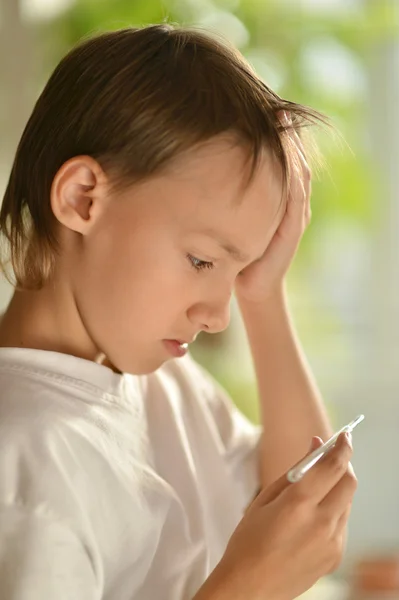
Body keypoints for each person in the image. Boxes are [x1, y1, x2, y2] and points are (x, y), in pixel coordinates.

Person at [0, 23, 356, 600]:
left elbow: (299, 508)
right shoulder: (23, 460)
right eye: (200, 261)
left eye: (236, 269)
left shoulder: (169, 388)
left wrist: (263, 295)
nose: (218, 316)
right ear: (81, 198)